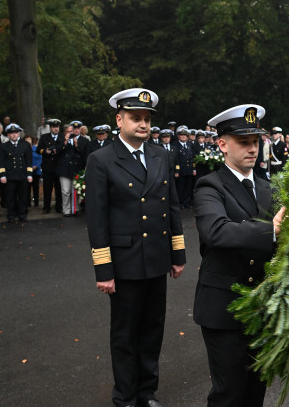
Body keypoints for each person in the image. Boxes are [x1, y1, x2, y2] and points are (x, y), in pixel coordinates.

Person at [86, 88, 186, 407]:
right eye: (135, 118)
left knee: (152, 330)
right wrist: (104, 270)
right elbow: (97, 219)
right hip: (124, 262)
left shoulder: (161, 155)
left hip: (156, 258)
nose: (143, 124)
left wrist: (177, 254)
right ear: (119, 120)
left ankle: (146, 391)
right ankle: (125, 396)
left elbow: (171, 207)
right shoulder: (101, 159)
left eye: (146, 119)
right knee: (125, 334)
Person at [193, 104, 285, 407]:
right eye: (243, 142)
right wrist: (270, 230)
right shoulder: (210, 185)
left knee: (255, 391)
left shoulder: (267, 187)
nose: (252, 149)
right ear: (222, 144)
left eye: (256, 142)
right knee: (228, 393)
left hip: (261, 305)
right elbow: (216, 231)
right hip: (224, 307)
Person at [0, 124, 33, 223]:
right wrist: (2, 175)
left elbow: (29, 161)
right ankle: (11, 215)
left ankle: (22, 214)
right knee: (10, 197)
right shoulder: (3, 146)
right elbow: (1, 162)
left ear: (19, 133)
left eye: (16, 133)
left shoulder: (25, 145)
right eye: (11, 133)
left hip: (22, 175)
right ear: (8, 135)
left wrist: (29, 174)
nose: (14, 135)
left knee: (23, 197)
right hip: (10, 176)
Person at [56, 123, 84, 216]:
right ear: (64, 132)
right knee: (65, 191)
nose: (70, 133)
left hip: (75, 169)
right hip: (64, 169)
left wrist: (76, 144)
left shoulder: (78, 140)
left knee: (75, 190)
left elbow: (82, 153)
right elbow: (58, 151)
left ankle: (75, 209)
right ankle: (66, 210)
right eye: (68, 131)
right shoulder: (60, 140)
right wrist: (65, 141)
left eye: (71, 131)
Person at [36, 119, 64, 214]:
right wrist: (45, 151)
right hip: (47, 167)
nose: (56, 129)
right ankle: (46, 207)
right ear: (50, 128)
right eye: (54, 127)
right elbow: (38, 149)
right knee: (47, 188)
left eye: (57, 127)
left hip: (58, 166)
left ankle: (58, 206)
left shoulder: (62, 137)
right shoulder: (44, 137)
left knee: (58, 188)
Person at [174, 126, 195, 209]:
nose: (183, 136)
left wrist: (193, 169)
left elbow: (193, 157)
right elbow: (175, 160)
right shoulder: (175, 145)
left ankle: (187, 202)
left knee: (188, 187)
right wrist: (177, 171)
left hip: (189, 169)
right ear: (178, 136)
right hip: (181, 171)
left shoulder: (190, 144)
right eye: (181, 135)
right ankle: (180, 203)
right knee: (180, 188)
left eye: (185, 135)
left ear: (187, 136)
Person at [24, 135, 42, 207]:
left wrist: (36, 166)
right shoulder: (23, 149)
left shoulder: (36, 149)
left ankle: (36, 202)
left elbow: (40, 158)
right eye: (27, 139)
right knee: (27, 188)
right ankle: (28, 203)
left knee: (35, 188)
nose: (28, 140)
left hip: (36, 171)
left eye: (29, 139)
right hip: (26, 171)